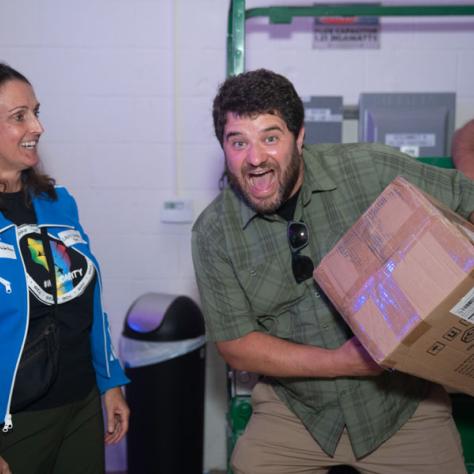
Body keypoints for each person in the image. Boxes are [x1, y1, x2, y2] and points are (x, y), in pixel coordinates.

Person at [192, 68, 473, 474]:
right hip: (297, 412)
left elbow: (465, 199)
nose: (255, 159)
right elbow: (236, 344)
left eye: (270, 137)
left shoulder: (369, 169)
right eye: (239, 142)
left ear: (300, 136)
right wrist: (342, 362)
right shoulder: (213, 234)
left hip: (402, 406)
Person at [0, 63, 130, 474]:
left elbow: (88, 299)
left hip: (80, 405)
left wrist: (109, 383)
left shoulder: (59, 203)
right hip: (18, 418)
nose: (37, 126)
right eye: (19, 116)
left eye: (36, 112)